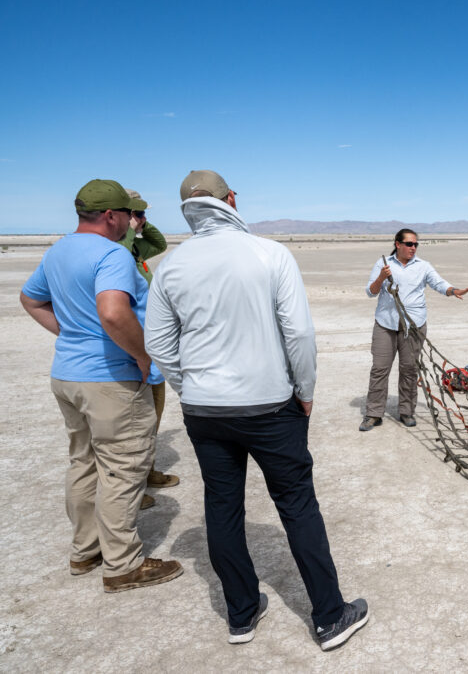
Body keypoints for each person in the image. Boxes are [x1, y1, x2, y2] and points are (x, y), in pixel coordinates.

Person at [145, 170, 367, 649]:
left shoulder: (171, 266)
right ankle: (330, 617)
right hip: (270, 407)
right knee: (297, 505)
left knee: (222, 510)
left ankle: (241, 615)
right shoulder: (269, 254)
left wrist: (192, 388)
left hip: (206, 411)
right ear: (231, 199)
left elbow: (159, 343)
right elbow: (300, 335)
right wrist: (304, 390)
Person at [19, 179, 183, 593]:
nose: (132, 220)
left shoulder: (58, 250)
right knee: (123, 468)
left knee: (83, 461)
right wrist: (143, 356)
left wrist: (71, 335)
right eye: (128, 213)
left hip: (68, 376)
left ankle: (85, 550)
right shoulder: (111, 254)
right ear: (111, 216)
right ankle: (123, 564)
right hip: (109, 380)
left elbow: (31, 299)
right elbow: (113, 313)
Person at [359, 229, 468, 431]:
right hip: (386, 325)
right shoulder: (383, 264)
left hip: (414, 326)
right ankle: (373, 414)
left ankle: (406, 412)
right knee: (379, 369)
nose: (413, 248)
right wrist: (381, 278)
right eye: (409, 244)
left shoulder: (423, 266)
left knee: (409, 370)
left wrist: (454, 291)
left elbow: (439, 284)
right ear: (397, 244)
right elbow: (370, 292)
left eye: (416, 245)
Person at [118, 189, 178, 499]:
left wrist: (141, 222)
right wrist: (128, 229)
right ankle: (132, 492)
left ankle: (148, 472)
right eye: (138, 214)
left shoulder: (134, 251)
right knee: (135, 427)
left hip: (150, 350)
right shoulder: (117, 252)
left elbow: (159, 244)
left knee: (152, 420)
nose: (143, 220)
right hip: (133, 353)